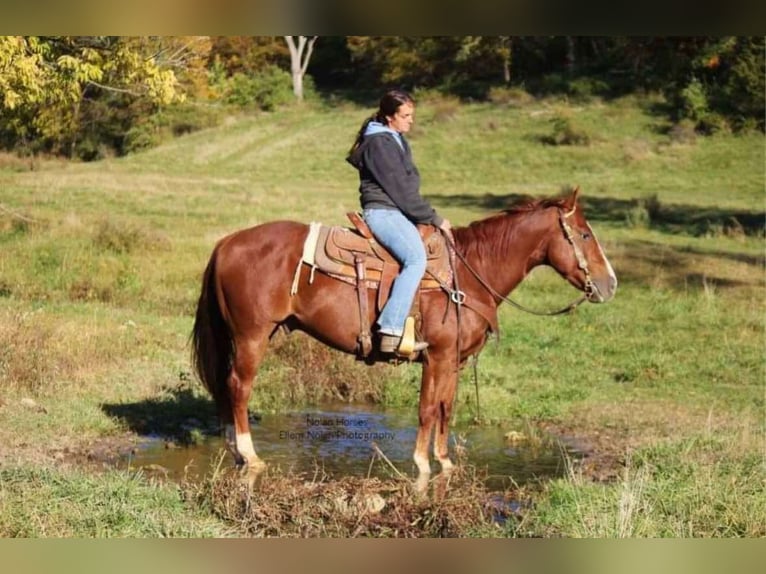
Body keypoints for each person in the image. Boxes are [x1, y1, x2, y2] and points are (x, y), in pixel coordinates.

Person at [346, 89, 452, 354]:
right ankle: (391, 331)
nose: (410, 121)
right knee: (417, 259)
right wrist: (433, 217)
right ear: (389, 117)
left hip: (396, 212)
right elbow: (402, 193)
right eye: (405, 116)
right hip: (383, 213)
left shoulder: (394, 139)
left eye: (411, 115)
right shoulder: (380, 144)